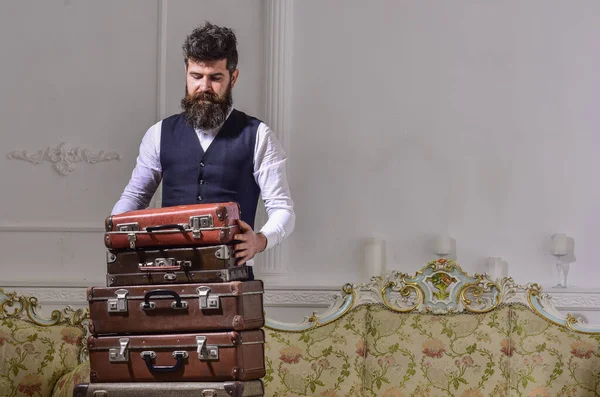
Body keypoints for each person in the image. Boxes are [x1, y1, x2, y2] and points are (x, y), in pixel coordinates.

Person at [111, 22, 295, 279]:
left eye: (215, 78)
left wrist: (261, 240)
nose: (204, 87)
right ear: (186, 72)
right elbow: (135, 196)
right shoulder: (158, 134)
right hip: (168, 274)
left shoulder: (259, 135)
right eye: (196, 76)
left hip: (233, 277)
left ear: (233, 77)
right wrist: (114, 229)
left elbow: (283, 209)